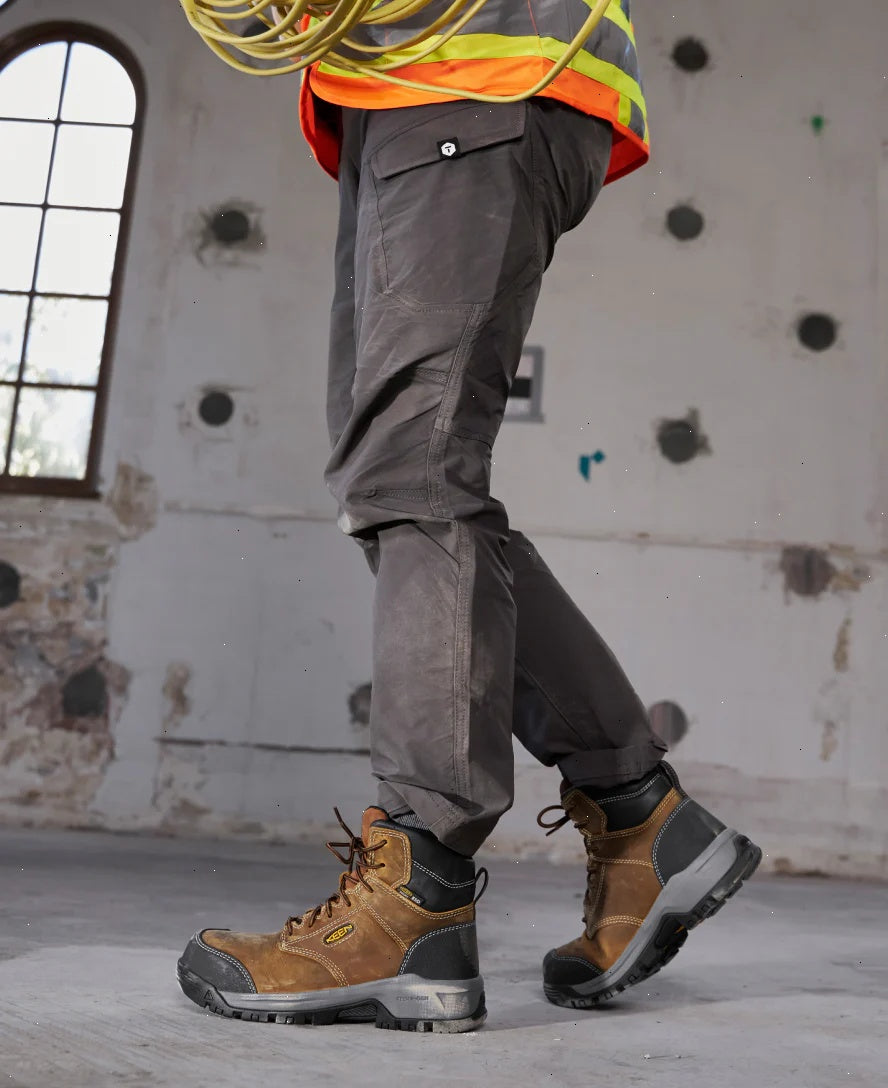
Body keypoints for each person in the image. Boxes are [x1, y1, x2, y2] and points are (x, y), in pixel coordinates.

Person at [177, 0, 761, 1031]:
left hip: (472, 73)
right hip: (402, 89)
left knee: (414, 475)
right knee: (397, 477)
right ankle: (640, 815)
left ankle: (419, 894)